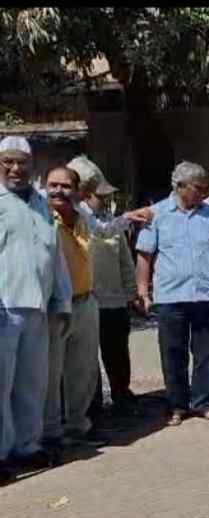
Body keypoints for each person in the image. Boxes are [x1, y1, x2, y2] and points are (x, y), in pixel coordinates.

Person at [135, 161, 209, 426]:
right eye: (198, 188)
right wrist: (142, 291)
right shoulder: (156, 214)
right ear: (179, 186)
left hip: (206, 293)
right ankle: (176, 405)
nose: (204, 193)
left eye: (205, 187)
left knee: (207, 353)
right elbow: (144, 255)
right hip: (171, 295)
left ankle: (205, 402)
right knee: (173, 353)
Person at [0, 136, 72, 480]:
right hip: (5, 307)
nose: (16, 169)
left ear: (32, 165)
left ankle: (26, 447)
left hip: (38, 308)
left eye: (22, 163)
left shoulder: (42, 205)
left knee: (32, 383)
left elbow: (54, 256)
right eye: (8, 162)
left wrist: (62, 299)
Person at [42, 166, 108, 450]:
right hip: (54, 307)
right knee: (50, 372)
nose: (58, 191)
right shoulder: (41, 219)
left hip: (86, 301)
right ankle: (50, 432)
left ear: (78, 192)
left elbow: (107, 231)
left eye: (65, 186)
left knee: (83, 370)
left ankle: (77, 426)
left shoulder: (84, 218)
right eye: (53, 185)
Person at [70, 156, 141, 419]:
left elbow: (125, 261)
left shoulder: (106, 221)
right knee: (87, 357)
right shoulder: (75, 216)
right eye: (98, 194)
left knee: (117, 353)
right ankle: (93, 404)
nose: (103, 199)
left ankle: (122, 395)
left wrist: (132, 293)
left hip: (114, 300)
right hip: (86, 298)